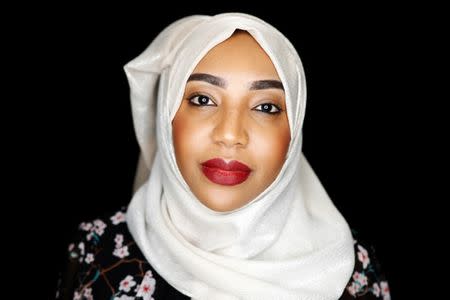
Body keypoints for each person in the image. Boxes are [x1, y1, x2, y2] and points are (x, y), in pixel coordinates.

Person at [56, 13, 390, 300]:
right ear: (166, 114)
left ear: (295, 131)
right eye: (203, 100)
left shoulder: (347, 269)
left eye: (266, 107)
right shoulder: (98, 249)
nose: (230, 134)